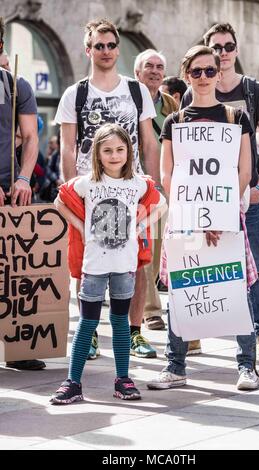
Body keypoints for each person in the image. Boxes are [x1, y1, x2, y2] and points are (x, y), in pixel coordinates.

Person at [147, 45, 259, 391]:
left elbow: (244, 169)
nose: (205, 77)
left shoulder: (235, 118)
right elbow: (168, 173)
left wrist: (218, 213)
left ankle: (247, 367)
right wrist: (196, 215)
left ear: (219, 72)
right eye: (197, 71)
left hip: (226, 217)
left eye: (210, 70)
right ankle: (175, 365)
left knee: (235, 289)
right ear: (186, 75)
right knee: (183, 291)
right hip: (185, 218)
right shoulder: (174, 121)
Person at [55, 18, 160, 361]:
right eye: (98, 45)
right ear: (88, 50)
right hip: (91, 191)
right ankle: (91, 334)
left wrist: (153, 187)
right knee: (84, 262)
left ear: (118, 48)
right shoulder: (76, 93)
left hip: (132, 189)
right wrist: (74, 194)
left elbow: (149, 141)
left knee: (137, 262)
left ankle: (134, 333)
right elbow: (68, 148)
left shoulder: (135, 90)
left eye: (110, 45)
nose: (105, 51)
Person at [181, 23, 259, 360]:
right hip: (203, 198)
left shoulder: (254, 91)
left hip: (243, 196)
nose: (222, 54)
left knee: (256, 265)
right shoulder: (192, 92)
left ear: (235, 50)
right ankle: (194, 333)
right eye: (216, 48)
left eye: (227, 47)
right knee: (199, 263)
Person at [50, 123, 165, 404]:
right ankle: (73, 382)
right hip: (93, 267)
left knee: (120, 323)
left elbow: (161, 204)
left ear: (129, 152)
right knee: (87, 324)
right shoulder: (87, 182)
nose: (114, 155)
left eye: (120, 149)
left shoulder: (137, 183)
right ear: (98, 154)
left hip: (124, 266)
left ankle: (123, 378)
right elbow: (59, 201)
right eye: (108, 150)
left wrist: (141, 224)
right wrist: (79, 225)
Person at [0, 18, 45, 370]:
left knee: (15, 274)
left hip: (10, 191)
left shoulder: (17, 85)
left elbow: (30, 137)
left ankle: (17, 343)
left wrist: (24, 179)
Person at [134, 49, 177, 333]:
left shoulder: (172, 103)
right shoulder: (129, 97)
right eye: (148, 66)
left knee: (160, 244)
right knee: (145, 246)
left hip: (163, 184)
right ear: (137, 72)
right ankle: (151, 311)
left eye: (159, 66)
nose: (154, 71)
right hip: (135, 184)